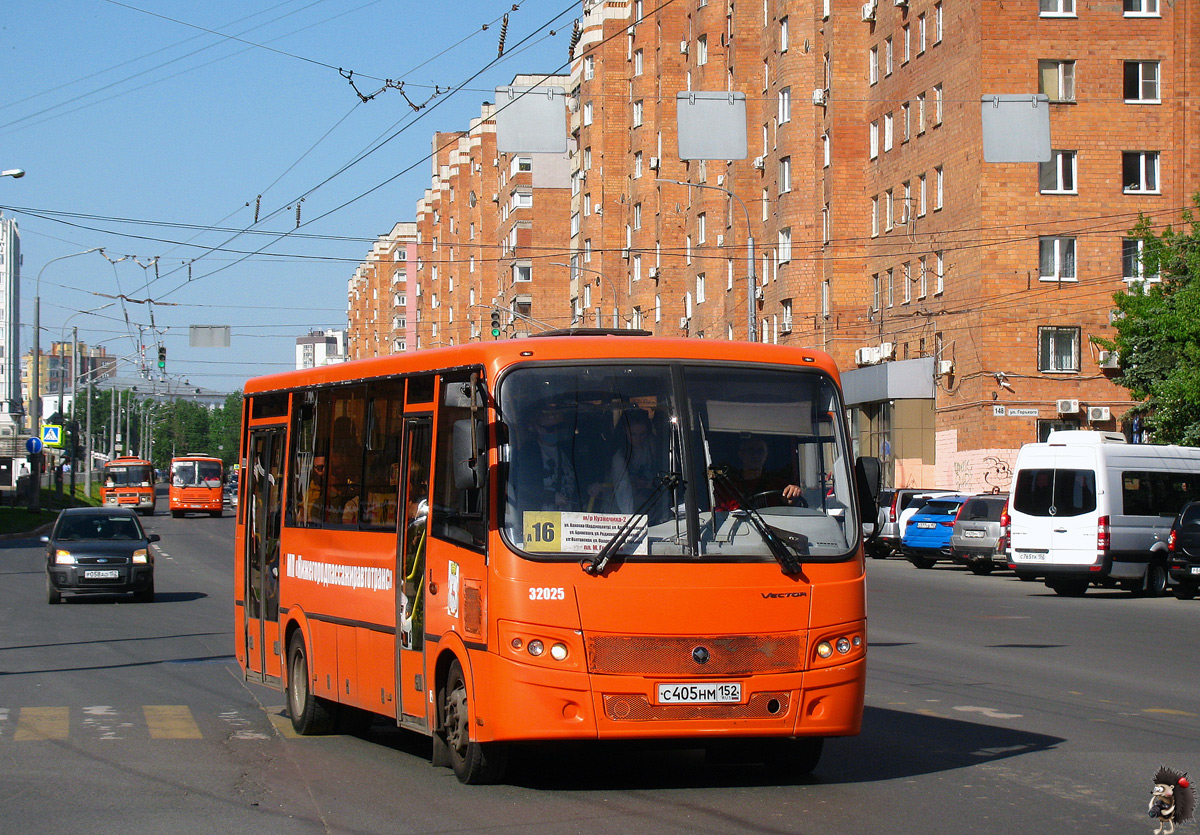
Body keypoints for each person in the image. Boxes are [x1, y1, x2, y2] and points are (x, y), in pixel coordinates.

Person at [517, 404, 580, 511]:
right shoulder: (529, 452)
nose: (555, 431)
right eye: (550, 429)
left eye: (558, 427)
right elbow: (523, 487)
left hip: (568, 515)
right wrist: (551, 497)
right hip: (540, 517)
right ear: (538, 429)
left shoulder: (567, 449)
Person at [716, 435, 802, 510]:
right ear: (741, 454)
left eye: (760, 451)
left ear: (766, 455)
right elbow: (719, 515)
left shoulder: (779, 485)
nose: (756, 455)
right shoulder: (727, 487)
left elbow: (792, 507)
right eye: (750, 450)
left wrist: (793, 497)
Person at [608, 410, 659, 513]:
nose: (638, 439)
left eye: (642, 434)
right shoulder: (619, 456)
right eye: (633, 435)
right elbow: (623, 489)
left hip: (654, 501)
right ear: (625, 432)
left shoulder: (652, 446)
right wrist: (630, 517)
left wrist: (650, 483)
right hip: (624, 507)